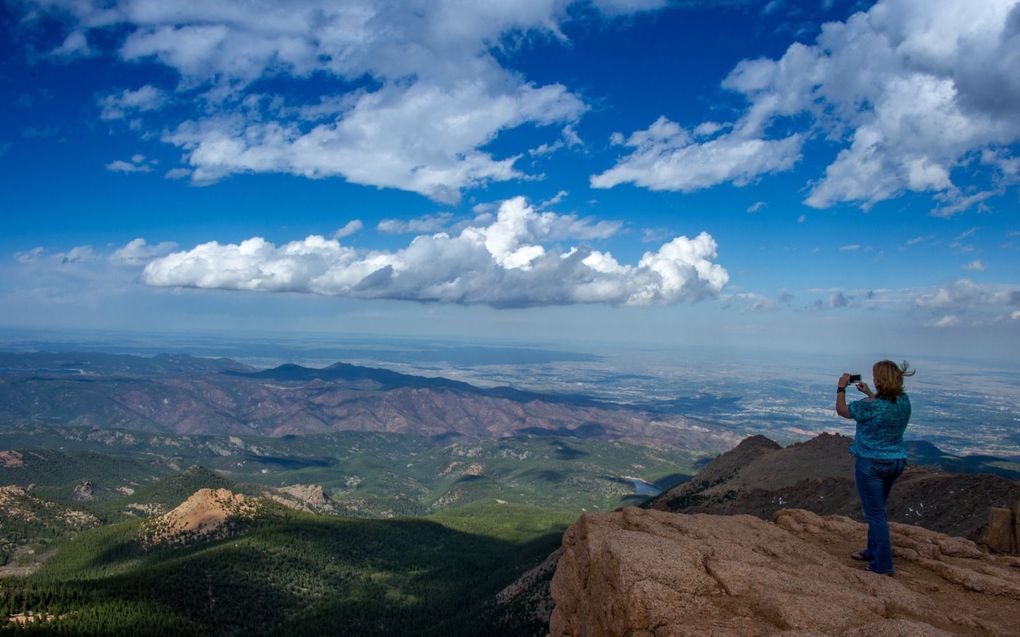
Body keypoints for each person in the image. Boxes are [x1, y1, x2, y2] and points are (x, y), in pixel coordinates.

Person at [835, 360, 914, 575]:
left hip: (871, 463)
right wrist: (869, 393)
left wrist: (841, 387)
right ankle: (872, 551)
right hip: (896, 461)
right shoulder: (903, 401)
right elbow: (883, 408)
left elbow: (842, 410)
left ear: (880, 380)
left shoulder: (870, 406)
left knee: (875, 515)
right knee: (877, 512)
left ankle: (882, 565)